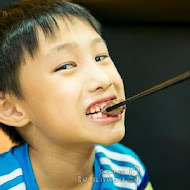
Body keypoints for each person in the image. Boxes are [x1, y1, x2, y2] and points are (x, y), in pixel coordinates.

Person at [0, 0, 153, 189]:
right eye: (65, 66)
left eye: (100, 57)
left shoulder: (127, 170)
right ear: (11, 109)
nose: (103, 79)